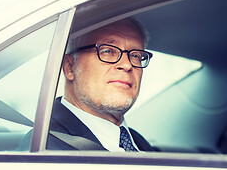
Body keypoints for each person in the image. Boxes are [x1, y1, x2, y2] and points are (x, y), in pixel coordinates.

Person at [47, 18, 154, 151]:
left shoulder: (139, 143)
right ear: (69, 67)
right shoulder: (47, 150)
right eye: (107, 51)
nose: (127, 65)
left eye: (136, 56)